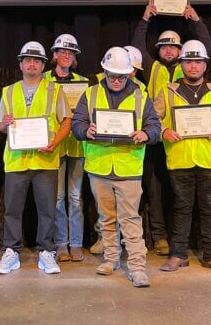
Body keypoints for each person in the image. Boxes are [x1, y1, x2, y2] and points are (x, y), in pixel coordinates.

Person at [71, 47, 162, 288]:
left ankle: (137, 266)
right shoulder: (90, 94)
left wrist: (146, 134)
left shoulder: (142, 97)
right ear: (104, 71)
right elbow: (77, 123)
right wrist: (84, 130)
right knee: (106, 218)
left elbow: (155, 126)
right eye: (112, 75)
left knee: (130, 218)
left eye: (121, 76)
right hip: (99, 167)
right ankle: (111, 259)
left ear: (130, 74)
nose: (116, 80)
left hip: (128, 168)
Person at [133, 0, 211, 255]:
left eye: (174, 47)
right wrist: (145, 19)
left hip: (185, 142)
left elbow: (206, 48)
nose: (169, 51)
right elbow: (136, 47)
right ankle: (159, 236)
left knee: (182, 195)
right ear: (158, 50)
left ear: (181, 50)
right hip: (159, 138)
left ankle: (189, 240)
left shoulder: (189, 66)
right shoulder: (152, 68)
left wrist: (196, 21)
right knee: (155, 191)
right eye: (164, 47)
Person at [154, 40, 211, 274]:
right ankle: (178, 254)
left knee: (210, 209)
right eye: (188, 61)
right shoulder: (168, 91)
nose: (193, 66)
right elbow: (152, 118)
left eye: (197, 61)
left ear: (204, 65)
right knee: (181, 208)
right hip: (179, 160)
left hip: (209, 159)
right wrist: (164, 131)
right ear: (181, 64)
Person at [0, 41, 72, 275]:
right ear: (20, 64)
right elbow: (0, 125)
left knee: (48, 209)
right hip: (16, 160)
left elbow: (66, 121)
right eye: (27, 59)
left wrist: (55, 143)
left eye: (36, 60)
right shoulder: (8, 91)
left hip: (45, 159)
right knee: (12, 210)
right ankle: (11, 252)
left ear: (43, 64)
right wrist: (4, 125)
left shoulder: (55, 89)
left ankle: (47, 252)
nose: (32, 63)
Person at [44, 33, 90, 262]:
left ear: (75, 58)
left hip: (77, 146)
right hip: (52, 146)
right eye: (62, 52)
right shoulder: (42, 80)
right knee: (58, 198)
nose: (66, 56)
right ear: (54, 55)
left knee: (75, 197)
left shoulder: (83, 83)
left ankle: (76, 244)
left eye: (70, 53)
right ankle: (61, 244)